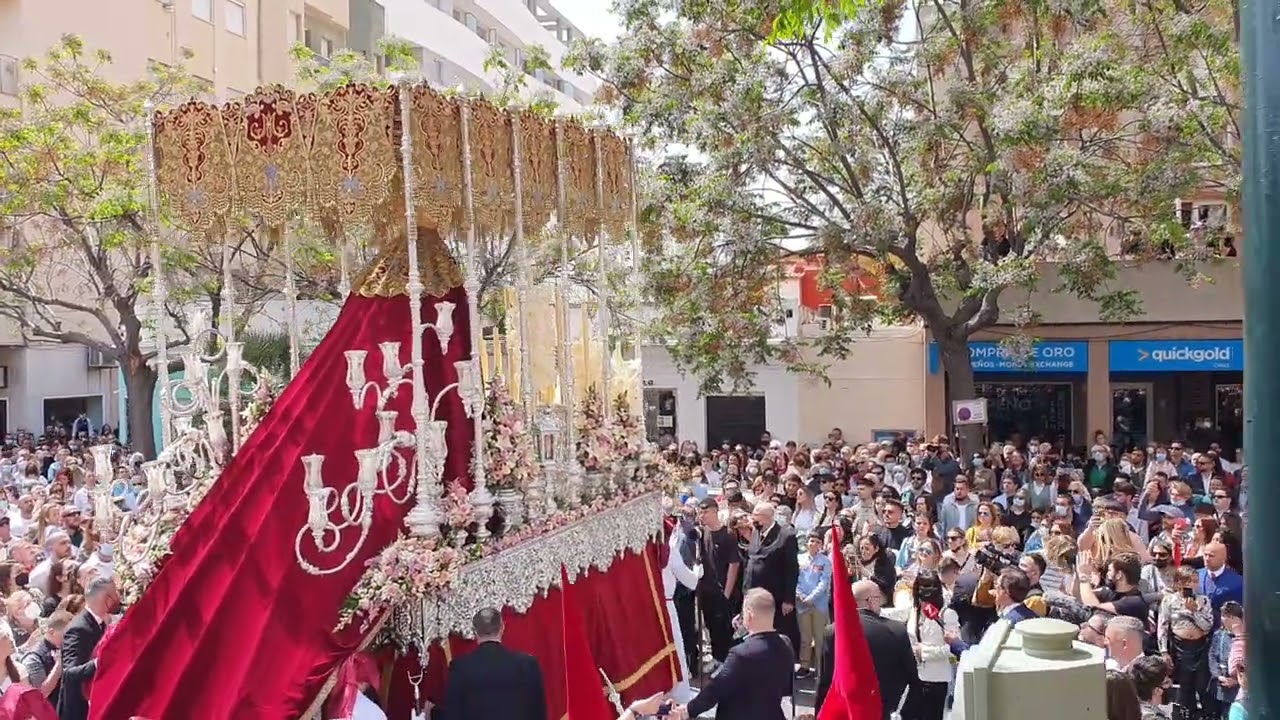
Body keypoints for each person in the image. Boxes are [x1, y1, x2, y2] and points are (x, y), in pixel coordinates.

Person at [679, 588, 795, 720]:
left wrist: (687, 710)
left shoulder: (741, 654)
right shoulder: (786, 645)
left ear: (750, 615)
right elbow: (788, 688)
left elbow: (715, 690)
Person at [816, 580, 917, 720]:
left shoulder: (833, 631)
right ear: (870, 601)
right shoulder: (896, 631)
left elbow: (826, 681)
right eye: (879, 598)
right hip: (882, 711)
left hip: (846, 712)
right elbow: (912, 677)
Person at [433, 608, 547, 720]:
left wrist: (433, 713)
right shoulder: (528, 664)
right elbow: (539, 713)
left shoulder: (459, 667)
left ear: (475, 631)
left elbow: (453, 715)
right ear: (502, 628)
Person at [742, 503, 801, 659]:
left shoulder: (786, 536)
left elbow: (792, 569)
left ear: (766, 517)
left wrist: (789, 599)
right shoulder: (756, 532)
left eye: (755, 515)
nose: (752, 518)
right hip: (755, 595)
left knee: (780, 635)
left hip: (777, 597)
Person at [57, 576, 117, 720]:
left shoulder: (100, 624)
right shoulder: (79, 628)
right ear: (105, 597)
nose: (118, 598)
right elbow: (70, 673)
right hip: (78, 711)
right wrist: (100, 662)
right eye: (115, 593)